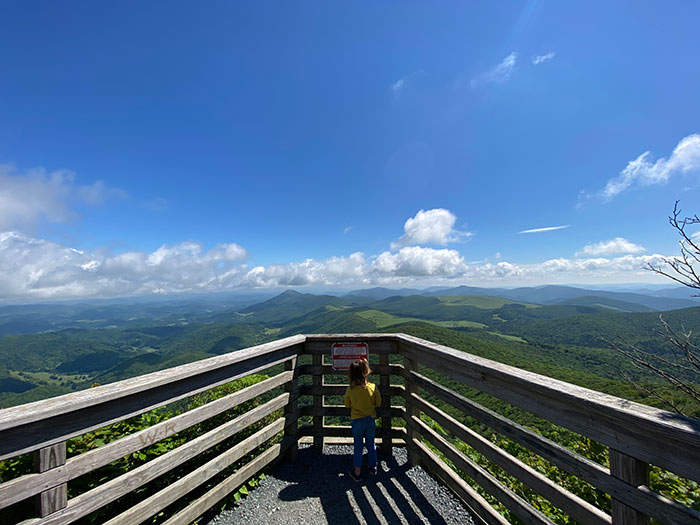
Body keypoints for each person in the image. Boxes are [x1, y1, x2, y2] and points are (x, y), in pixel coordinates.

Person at [344, 358, 381, 482]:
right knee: (371, 444)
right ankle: (373, 466)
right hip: (370, 419)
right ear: (366, 372)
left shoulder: (350, 390)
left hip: (357, 420)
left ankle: (357, 472)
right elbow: (378, 402)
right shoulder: (373, 387)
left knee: (358, 446)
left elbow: (347, 405)